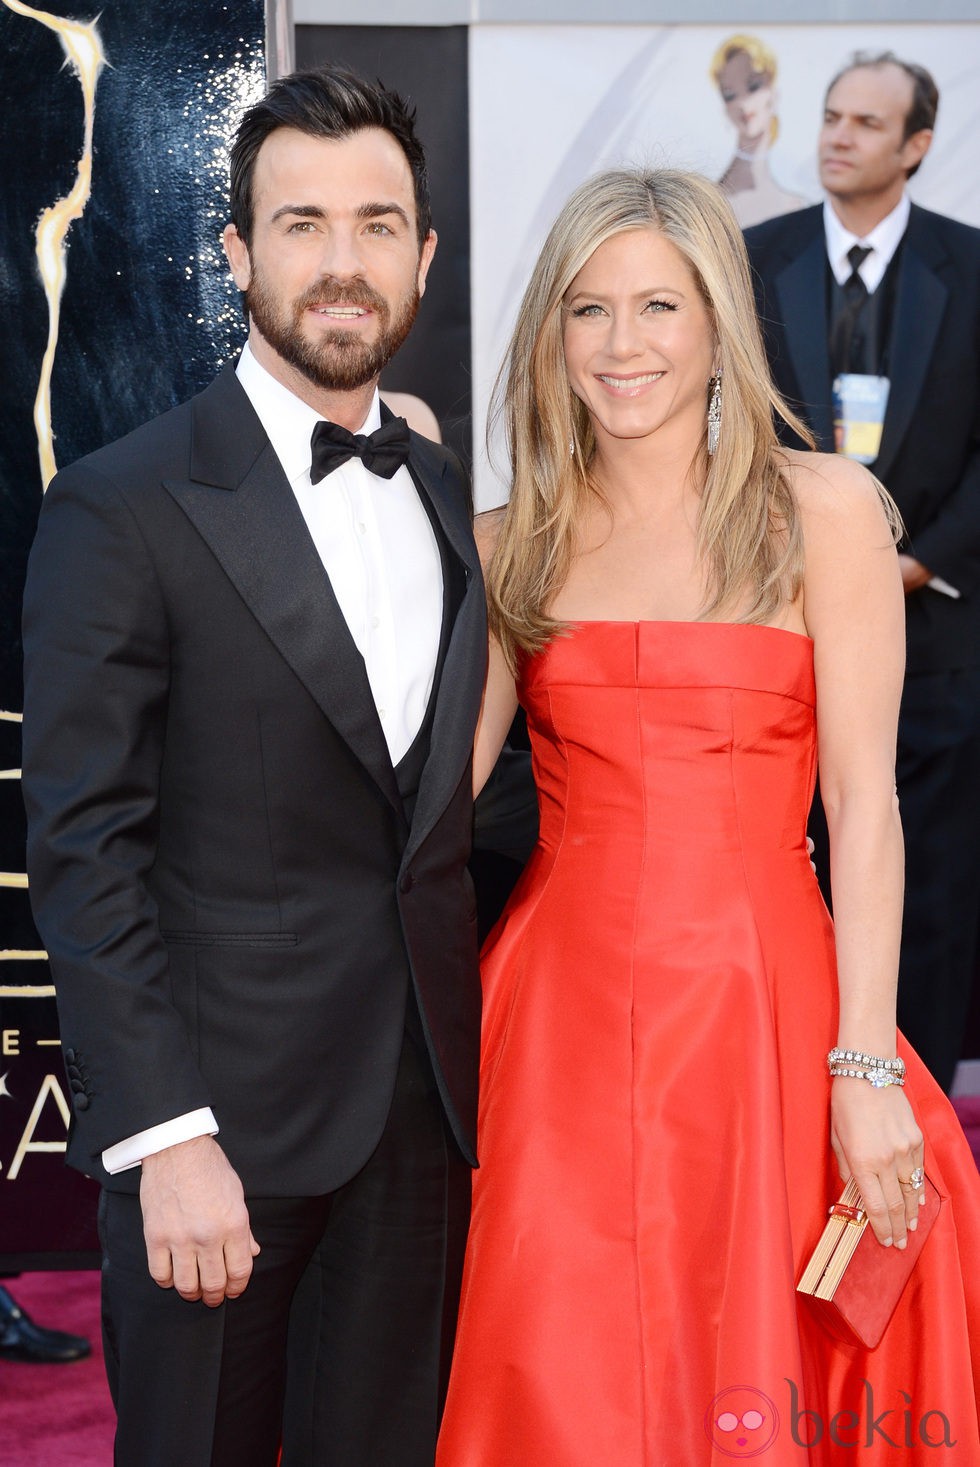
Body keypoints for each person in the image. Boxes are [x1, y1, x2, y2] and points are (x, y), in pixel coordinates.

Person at [435, 167, 980, 1466]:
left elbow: (864, 806)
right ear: (550, 332)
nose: (623, 346)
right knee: (555, 1362)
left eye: (659, 307)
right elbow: (429, 809)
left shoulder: (825, 514)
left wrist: (865, 1068)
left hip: (768, 1014)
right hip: (552, 1026)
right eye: (590, 309)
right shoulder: (507, 540)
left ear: (719, 322)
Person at [21, 65, 487, 1467]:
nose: (339, 263)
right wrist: (165, 1133)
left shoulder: (446, 489)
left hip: (418, 1124)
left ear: (423, 255)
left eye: (373, 223)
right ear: (236, 254)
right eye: (298, 224)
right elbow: (86, 845)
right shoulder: (124, 499)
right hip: (217, 1135)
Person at [744, 52, 980, 1093]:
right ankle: (791, 1105)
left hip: (933, 650)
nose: (836, 136)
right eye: (829, 117)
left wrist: (916, 562)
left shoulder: (971, 268)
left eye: (864, 123)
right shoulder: (752, 257)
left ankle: (915, 1125)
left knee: (923, 901)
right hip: (777, 639)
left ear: (914, 147)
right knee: (785, 892)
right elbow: (727, 430)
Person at [709, 33, 807, 229]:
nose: (743, 103)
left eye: (753, 86)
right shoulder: (712, 205)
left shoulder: (795, 206)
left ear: (773, 92)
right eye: (730, 95)